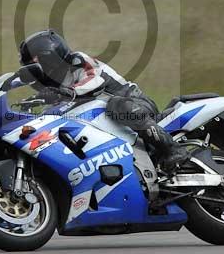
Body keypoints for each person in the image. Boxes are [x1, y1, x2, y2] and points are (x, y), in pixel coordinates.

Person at [18, 29, 190, 173]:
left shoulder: (78, 61)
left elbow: (94, 80)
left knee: (117, 105)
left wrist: (65, 92)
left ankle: (172, 149)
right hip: (108, 124)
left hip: (136, 104)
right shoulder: (56, 86)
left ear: (49, 57)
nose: (34, 71)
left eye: (35, 64)